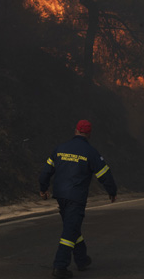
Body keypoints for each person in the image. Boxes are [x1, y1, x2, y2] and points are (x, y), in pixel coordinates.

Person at [39, 119, 117, 278]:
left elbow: (46, 171)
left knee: (71, 226)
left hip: (60, 195)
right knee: (69, 231)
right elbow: (104, 174)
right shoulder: (91, 152)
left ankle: (82, 260)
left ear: (75, 131)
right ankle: (60, 267)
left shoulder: (60, 149)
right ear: (89, 134)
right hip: (76, 197)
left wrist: (43, 188)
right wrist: (112, 191)